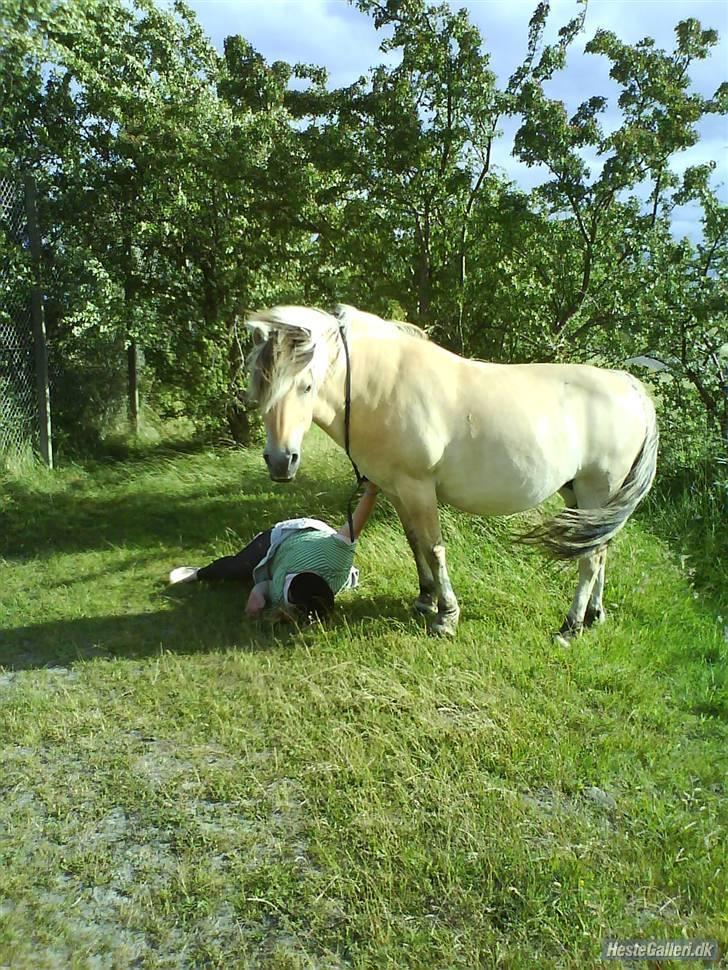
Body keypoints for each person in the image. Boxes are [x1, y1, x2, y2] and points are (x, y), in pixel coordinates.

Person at [169, 483, 380, 622]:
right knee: (238, 567)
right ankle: (199, 573)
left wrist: (257, 594)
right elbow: (355, 524)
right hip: (288, 536)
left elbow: (265, 586)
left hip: (281, 561)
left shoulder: (281, 596)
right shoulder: (336, 559)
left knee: (246, 578)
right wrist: (371, 491)